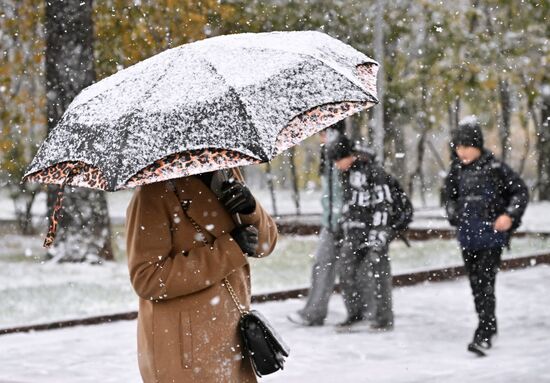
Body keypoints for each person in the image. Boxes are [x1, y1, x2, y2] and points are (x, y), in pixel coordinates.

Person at [126, 168, 278, 382]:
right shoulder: (154, 191)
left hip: (231, 335)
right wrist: (229, 250)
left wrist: (250, 209)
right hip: (185, 348)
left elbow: (264, 244)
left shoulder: (225, 171)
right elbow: (148, 278)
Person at [443, 116, 528, 356]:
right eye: (458, 147)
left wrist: (509, 216)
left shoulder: (496, 169)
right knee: (475, 285)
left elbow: (520, 192)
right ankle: (489, 324)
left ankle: (485, 332)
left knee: (484, 283)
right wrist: (453, 213)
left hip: (491, 237)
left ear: (478, 146)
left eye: (466, 146)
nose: (462, 152)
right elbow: (448, 197)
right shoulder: (456, 171)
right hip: (468, 237)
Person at [334, 141, 413, 332]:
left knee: (379, 272)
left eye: (338, 160)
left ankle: (384, 318)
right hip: (355, 231)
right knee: (345, 270)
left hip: (376, 230)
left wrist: (379, 234)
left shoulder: (374, 172)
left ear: (349, 156)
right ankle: (355, 313)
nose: (336, 164)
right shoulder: (347, 173)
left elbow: (382, 204)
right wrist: (344, 225)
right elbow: (350, 203)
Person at [287, 121, 346, 326]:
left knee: (334, 267)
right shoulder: (329, 154)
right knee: (323, 265)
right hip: (332, 222)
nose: (319, 137)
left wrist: (338, 219)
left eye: (322, 132)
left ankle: (316, 312)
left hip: (339, 223)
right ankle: (314, 312)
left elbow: (340, 193)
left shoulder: (339, 151)